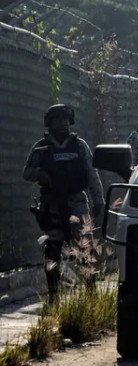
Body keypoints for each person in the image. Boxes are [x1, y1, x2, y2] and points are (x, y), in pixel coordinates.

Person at [23, 104, 105, 301]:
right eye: (57, 119)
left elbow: (92, 175)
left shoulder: (79, 145)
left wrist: (99, 201)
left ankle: (91, 296)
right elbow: (26, 173)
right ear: (49, 123)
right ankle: (54, 297)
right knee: (52, 250)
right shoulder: (41, 147)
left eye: (65, 119)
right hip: (52, 204)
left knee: (85, 249)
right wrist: (39, 174)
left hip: (77, 201)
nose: (62, 123)